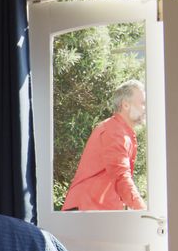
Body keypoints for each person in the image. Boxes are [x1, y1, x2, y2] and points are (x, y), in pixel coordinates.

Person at [61, 80, 148, 211]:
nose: (145, 109)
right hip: (87, 213)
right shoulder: (115, 131)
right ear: (125, 105)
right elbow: (121, 176)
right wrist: (143, 210)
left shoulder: (119, 130)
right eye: (142, 103)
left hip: (93, 212)